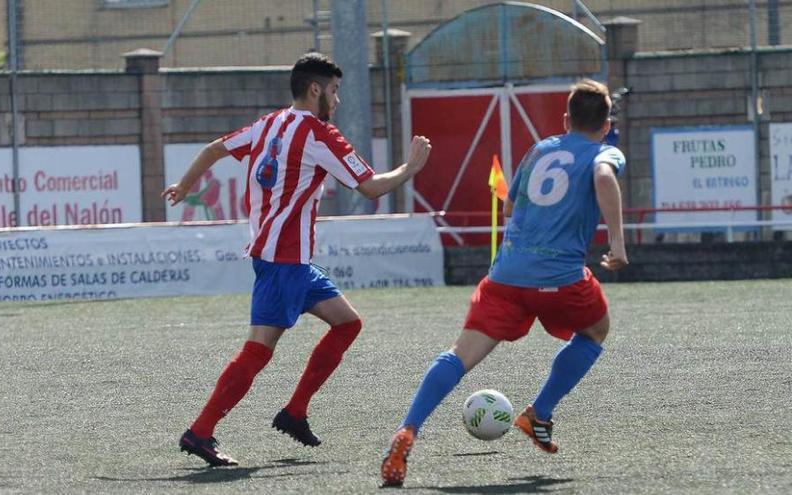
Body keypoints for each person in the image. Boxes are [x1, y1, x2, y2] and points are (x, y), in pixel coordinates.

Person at [162, 52, 432, 467]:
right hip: (283, 259)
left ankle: (295, 412)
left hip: (292, 260)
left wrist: (183, 184)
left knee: (348, 323)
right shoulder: (320, 135)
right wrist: (410, 168)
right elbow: (371, 188)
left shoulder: (269, 123)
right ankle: (200, 432)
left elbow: (216, 148)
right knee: (258, 350)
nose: (337, 100)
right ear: (315, 90)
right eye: (335, 91)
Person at [380, 79, 629, 487]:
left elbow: (511, 204)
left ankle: (408, 428)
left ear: (566, 119)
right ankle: (539, 413)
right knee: (596, 331)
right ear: (605, 126)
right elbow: (603, 178)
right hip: (561, 279)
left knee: (459, 354)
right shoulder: (605, 151)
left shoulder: (539, 149)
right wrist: (617, 243)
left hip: (506, 275)